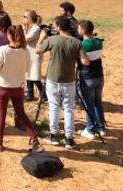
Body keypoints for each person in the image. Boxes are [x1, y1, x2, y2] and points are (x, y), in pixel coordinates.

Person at [37, 16, 90, 149]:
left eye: (55, 26)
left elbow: (38, 50)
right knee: (69, 109)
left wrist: (42, 37)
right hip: (69, 80)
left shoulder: (52, 40)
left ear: (59, 27)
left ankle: (54, 136)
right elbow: (85, 62)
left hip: (53, 79)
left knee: (54, 106)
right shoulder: (76, 42)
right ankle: (69, 139)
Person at [0, 24, 45, 153]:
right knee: (21, 113)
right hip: (18, 87)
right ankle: (34, 140)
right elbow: (27, 69)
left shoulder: (3, 50)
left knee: (1, 113)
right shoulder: (26, 51)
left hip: (3, 86)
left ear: (9, 36)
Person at [78, 20, 107, 139]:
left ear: (83, 30)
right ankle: (101, 127)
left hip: (87, 77)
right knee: (97, 102)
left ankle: (90, 129)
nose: (77, 30)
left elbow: (84, 61)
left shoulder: (82, 45)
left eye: (79, 28)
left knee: (89, 104)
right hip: (99, 76)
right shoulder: (99, 42)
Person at [23, 10, 47, 101]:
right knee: (28, 74)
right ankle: (30, 94)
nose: (23, 18)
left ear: (30, 19)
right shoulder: (27, 27)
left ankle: (43, 94)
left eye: (25, 17)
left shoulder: (36, 28)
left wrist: (23, 31)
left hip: (35, 55)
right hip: (28, 54)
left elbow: (26, 39)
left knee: (35, 76)